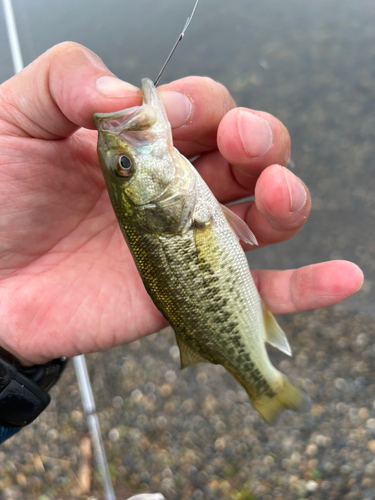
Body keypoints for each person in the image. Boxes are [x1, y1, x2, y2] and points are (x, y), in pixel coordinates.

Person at [0, 43, 363, 439]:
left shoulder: (181, 205)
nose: (128, 152)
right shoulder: (181, 207)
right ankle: (266, 386)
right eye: (126, 165)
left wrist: (10, 349)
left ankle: (265, 384)